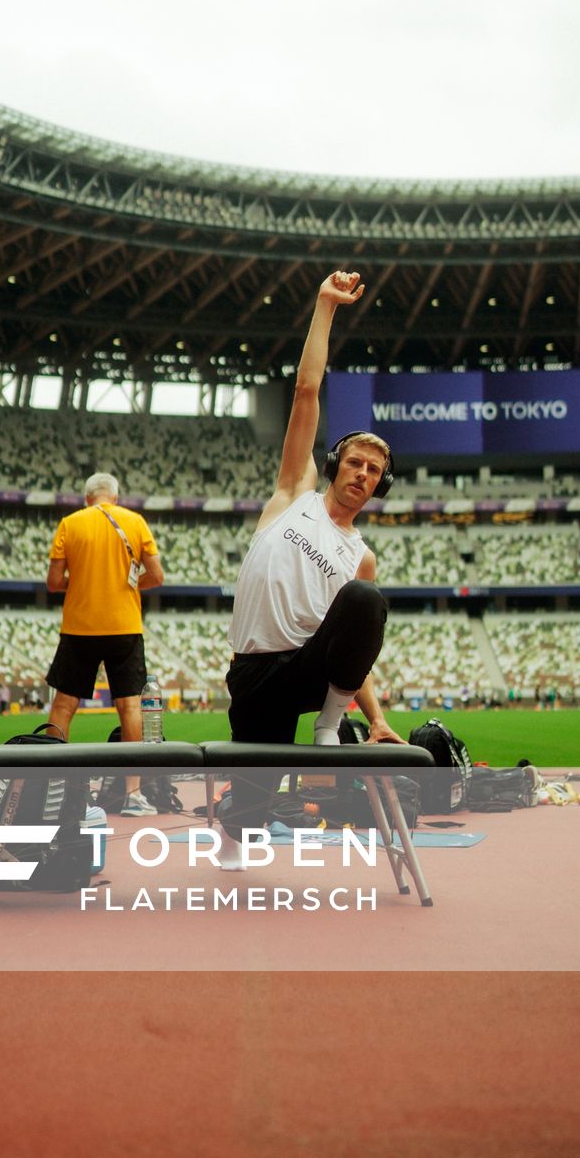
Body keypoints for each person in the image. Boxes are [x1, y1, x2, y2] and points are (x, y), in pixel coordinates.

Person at [222, 269, 402, 852]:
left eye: (374, 471)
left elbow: (354, 648)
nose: (363, 474)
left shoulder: (360, 555)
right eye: (355, 462)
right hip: (253, 672)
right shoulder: (291, 496)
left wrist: (371, 719)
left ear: (380, 486)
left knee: (364, 598)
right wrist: (325, 305)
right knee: (249, 814)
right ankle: (236, 825)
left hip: (307, 671)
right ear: (335, 464)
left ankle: (329, 727)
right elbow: (306, 391)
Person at [44, 471, 165, 815]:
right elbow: (156, 575)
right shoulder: (135, 521)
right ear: (115, 496)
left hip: (79, 626)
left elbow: (53, 582)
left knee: (64, 706)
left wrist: (83, 583)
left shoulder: (70, 523)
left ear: (87, 499)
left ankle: (49, 790)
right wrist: (123, 585)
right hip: (123, 626)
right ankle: (134, 796)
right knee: (129, 708)